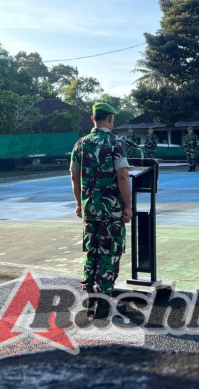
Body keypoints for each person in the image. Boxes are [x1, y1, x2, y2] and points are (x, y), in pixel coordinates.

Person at [70, 102, 132, 308]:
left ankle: (89, 294)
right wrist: (128, 206)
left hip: (90, 209)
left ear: (93, 119)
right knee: (109, 251)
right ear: (111, 119)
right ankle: (104, 296)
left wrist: (80, 204)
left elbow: (74, 176)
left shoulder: (80, 143)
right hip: (111, 211)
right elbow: (123, 176)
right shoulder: (115, 143)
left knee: (91, 250)